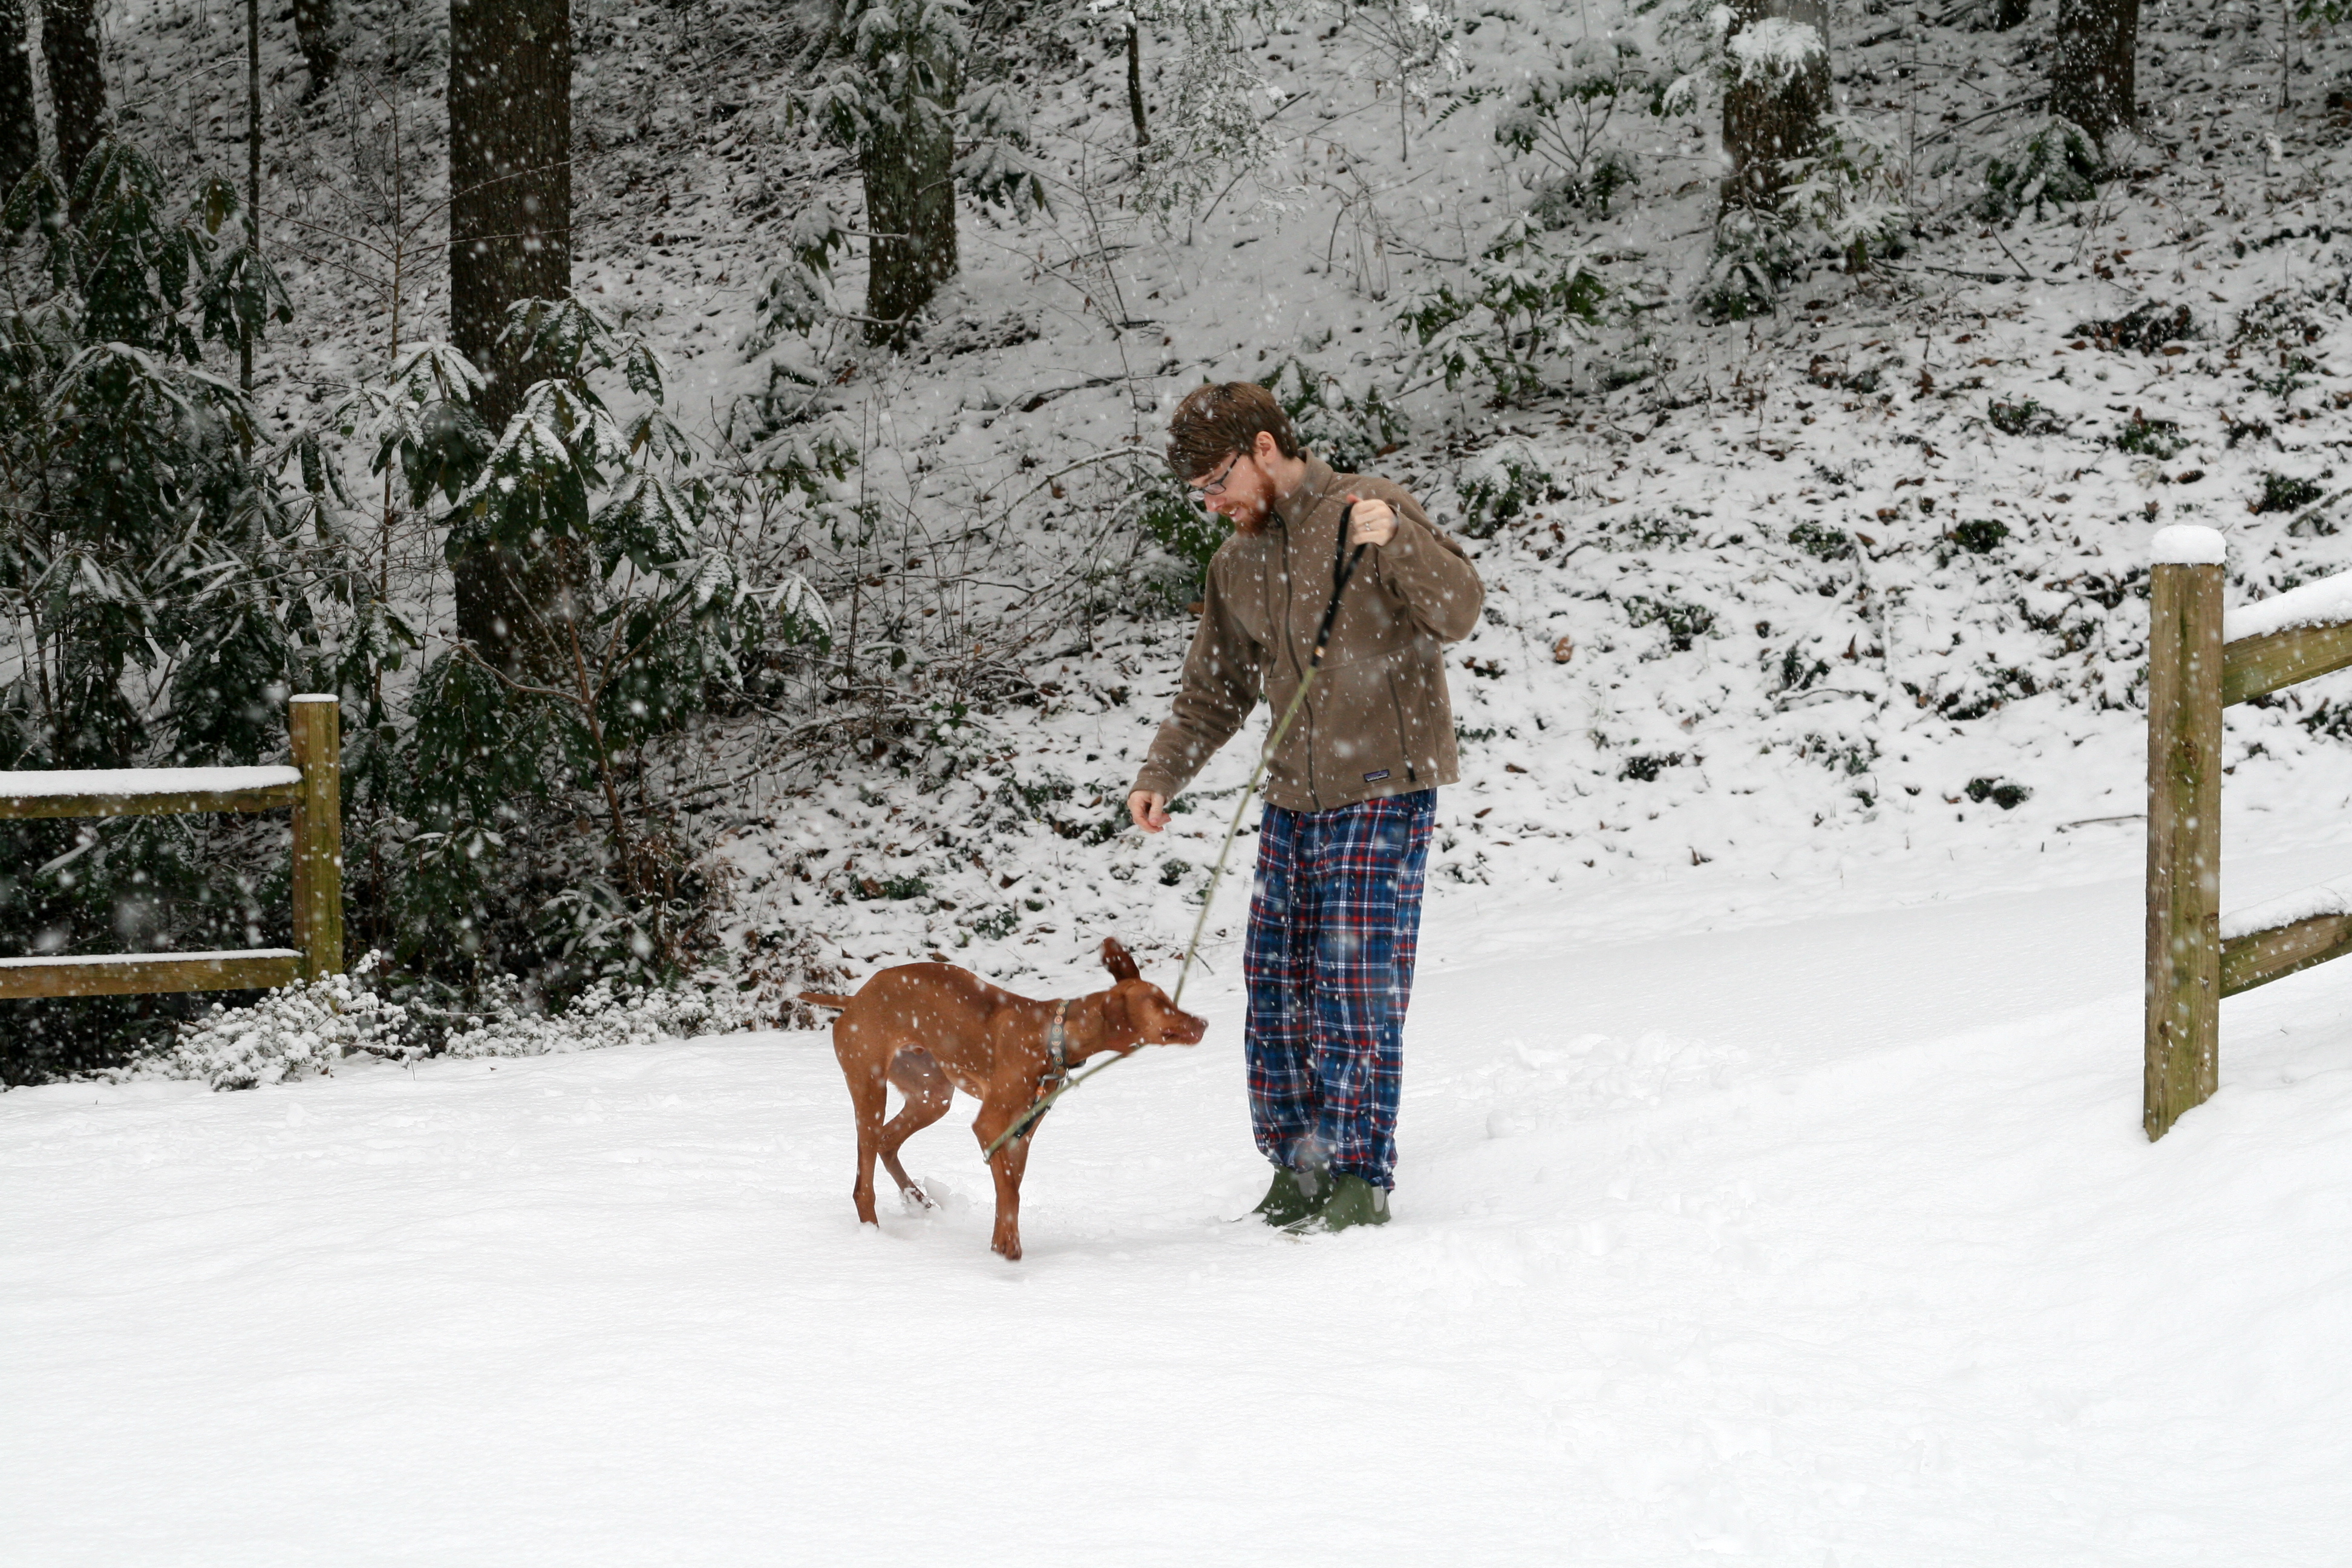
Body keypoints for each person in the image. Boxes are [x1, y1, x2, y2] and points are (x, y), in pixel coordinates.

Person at [1128, 382, 1483, 1231]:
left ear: (1263, 447)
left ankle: (1359, 1177)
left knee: (1354, 987)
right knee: (1276, 986)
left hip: (1383, 787)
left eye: (1218, 483)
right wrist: (1161, 773)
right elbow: (1214, 690)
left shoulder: (1369, 508)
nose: (1213, 504)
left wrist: (1399, 543)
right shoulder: (1237, 562)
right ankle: (1300, 1166)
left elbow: (1459, 610)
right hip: (1293, 798)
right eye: (1199, 493)